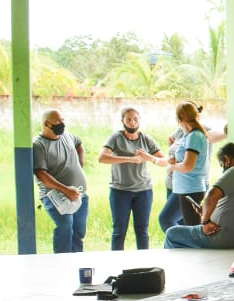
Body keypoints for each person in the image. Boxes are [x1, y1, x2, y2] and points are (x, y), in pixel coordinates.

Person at [163, 143, 234, 250]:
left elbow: (211, 196)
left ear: (227, 159)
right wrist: (206, 212)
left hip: (224, 236)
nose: (223, 170)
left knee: (172, 233)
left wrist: (205, 222)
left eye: (222, 165)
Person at [99, 107, 164, 251]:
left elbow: (163, 160)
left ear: (139, 120)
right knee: (119, 231)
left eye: (135, 119)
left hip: (144, 190)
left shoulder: (146, 139)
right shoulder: (116, 137)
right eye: (128, 119)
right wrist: (130, 159)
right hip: (120, 191)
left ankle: (144, 266)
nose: (132, 122)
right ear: (122, 121)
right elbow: (102, 158)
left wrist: (149, 157)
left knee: (142, 231)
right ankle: (117, 263)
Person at [32, 108, 88, 254]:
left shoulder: (67, 136)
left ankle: (76, 262)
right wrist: (66, 190)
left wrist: (80, 164)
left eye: (62, 120)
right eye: (57, 121)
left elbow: (79, 143)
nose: (61, 124)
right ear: (46, 124)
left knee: (79, 231)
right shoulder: (39, 145)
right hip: (55, 195)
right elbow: (41, 174)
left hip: (79, 193)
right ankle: (61, 261)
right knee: (65, 226)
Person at [158, 102, 212, 235]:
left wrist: (173, 166)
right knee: (185, 226)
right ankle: (183, 249)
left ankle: (182, 246)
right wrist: (176, 162)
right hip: (185, 187)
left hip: (190, 188)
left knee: (170, 220)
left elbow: (188, 166)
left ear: (179, 120)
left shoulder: (194, 136)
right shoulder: (191, 135)